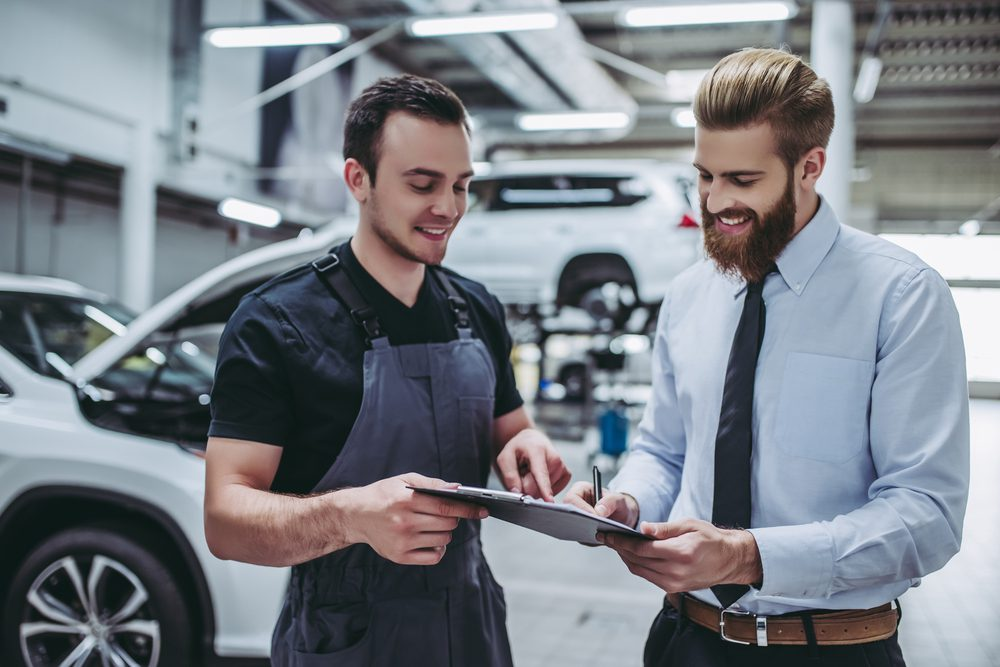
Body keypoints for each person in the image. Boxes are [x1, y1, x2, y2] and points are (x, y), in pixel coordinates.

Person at [565, 47, 969, 667]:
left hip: (827, 651)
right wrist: (629, 501)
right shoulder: (689, 294)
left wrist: (747, 555)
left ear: (810, 167)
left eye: (743, 181)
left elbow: (927, 516)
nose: (715, 201)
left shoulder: (901, 296)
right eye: (705, 175)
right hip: (684, 641)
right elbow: (665, 449)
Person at [204, 74, 570, 666]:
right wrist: (349, 517)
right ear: (359, 180)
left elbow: (512, 428)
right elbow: (225, 519)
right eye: (422, 184)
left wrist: (527, 445)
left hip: (470, 625)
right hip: (344, 637)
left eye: (460, 185)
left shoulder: (475, 308)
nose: (448, 208)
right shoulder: (276, 322)